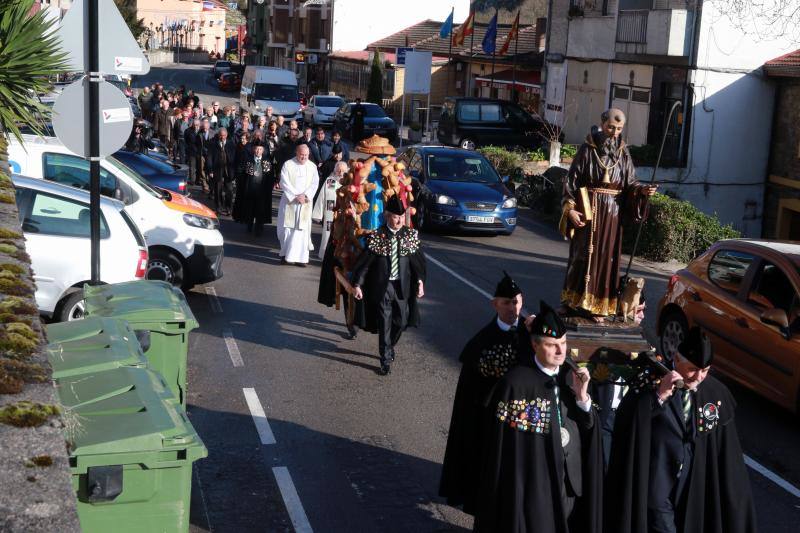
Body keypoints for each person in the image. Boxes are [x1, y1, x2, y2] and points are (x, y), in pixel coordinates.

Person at [605, 327, 757, 533]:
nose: (698, 377)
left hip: (694, 489)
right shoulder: (649, 381)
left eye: (705, 370)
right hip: (658, 489)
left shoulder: (715, 393)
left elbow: (726, 452)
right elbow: (628, 424)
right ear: (676, 358)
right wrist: (658, 397)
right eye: (693, 369)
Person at [474, 301, 603, 533]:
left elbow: (588, 429)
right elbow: (502, 450)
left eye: (563, 343)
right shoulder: (515, 385)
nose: (561, 351)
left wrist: (583, 400)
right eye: (553, 345)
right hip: (537, 489)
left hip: (569, 484)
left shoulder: (571, 378)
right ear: (534, 345)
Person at [439, 272, 528, 516]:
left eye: (517, 301)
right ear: (495, 304)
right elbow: (470, 395)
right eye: (507, 303)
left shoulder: (532, 337)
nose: (513, 308)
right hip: (491, 421)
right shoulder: (481, 343)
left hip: (525, 418)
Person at [559, 108, 656, 321]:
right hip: (588, 210)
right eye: (611, 127)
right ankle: (572, 301)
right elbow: (571, 181)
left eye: (619, 129)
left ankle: (598, 306)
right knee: (582, 255)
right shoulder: (587, 150)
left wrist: (642, 191)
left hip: (613, 212)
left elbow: (631, 182)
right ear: (603, 124)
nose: (614, 132)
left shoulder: (623, 152)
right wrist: (570, 209)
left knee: (607, 257)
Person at [351, 196, 426, 375]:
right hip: (383, 287)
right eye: (395, 216)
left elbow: (417, 264)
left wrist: (420, 282)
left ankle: (390, 345)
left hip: (402, 286)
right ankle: (384, 359)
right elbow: (366, 264)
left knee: (400, 322)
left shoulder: (410, 236)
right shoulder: (378, 236)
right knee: (385, 322)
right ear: (387, 216)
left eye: (401, 216)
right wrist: (358, 284)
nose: (399, 220)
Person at [277, 144, 320, 266]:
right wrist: (296, 195)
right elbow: (284, 181)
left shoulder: (312, 166)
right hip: (290, 201)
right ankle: (285, 255)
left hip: (305, 203)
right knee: (287, 229)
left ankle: (301, 259)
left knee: (302, 230)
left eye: (306, 155)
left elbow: (315, 183)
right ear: (297, 153)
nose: (304, 157)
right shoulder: (288, 164)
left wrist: (305, 196)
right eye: (302, 155)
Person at [312, 160, 346, 259]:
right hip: (330, 211)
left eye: (343, 171)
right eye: (339, 170)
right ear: (335, 170)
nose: (340, 173)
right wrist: (318, 214)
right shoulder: (330, 181)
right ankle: (325, 254)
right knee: (328, 233)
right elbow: (323, 196)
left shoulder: (348, 182)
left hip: (343, 213)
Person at [238, 144, 274, 236]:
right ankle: (249, 225)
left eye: (260, 149)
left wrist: (269, 188)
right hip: (250, 189)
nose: (258, 151)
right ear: (254, 150)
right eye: (256, 149)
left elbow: (270, 177)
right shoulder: (248, 161)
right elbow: (242, 174)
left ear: (263, 151)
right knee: (250, 209)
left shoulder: (267, 161)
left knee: (260, 210)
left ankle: (259, 227)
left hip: (262, 191)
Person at [206, 127, 237, 215]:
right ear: (218, 135)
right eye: (220, 135)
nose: (222, 137)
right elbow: (209, 158)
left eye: (224, 136)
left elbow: (234, 158)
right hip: (217, 169)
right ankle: (218, 207)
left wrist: (234, 172)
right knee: (217, 189)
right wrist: (210, 170)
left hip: (228, 170)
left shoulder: (231, 144)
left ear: (226, 135)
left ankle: (228, 208)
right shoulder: (213, 144)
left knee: (229, 190)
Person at [185, 119, 202, 185]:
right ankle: (192, 180)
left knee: (199, 167)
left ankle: (198, 180)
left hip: (199, 151)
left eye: (197, 125)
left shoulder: (201, 130)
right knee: (192, 166)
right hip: (191, 151)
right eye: (194, 125)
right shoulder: (188, 131)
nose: (196, 126)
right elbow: (186, 140)